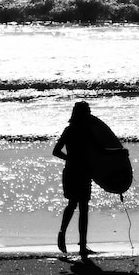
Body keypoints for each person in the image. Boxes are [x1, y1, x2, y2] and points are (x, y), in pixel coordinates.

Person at [53, 101, 94, 260]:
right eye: (88, 111)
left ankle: (82, 244)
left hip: (78, 171)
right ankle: (64, 234)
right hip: (76, 171)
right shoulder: (80, 131)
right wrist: (73, 159)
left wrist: (71, 159)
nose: (90, 114)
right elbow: (56, 151)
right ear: (82, 114)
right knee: (76, 205)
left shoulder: (77, 130)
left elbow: (57, 152)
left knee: (80, 206)